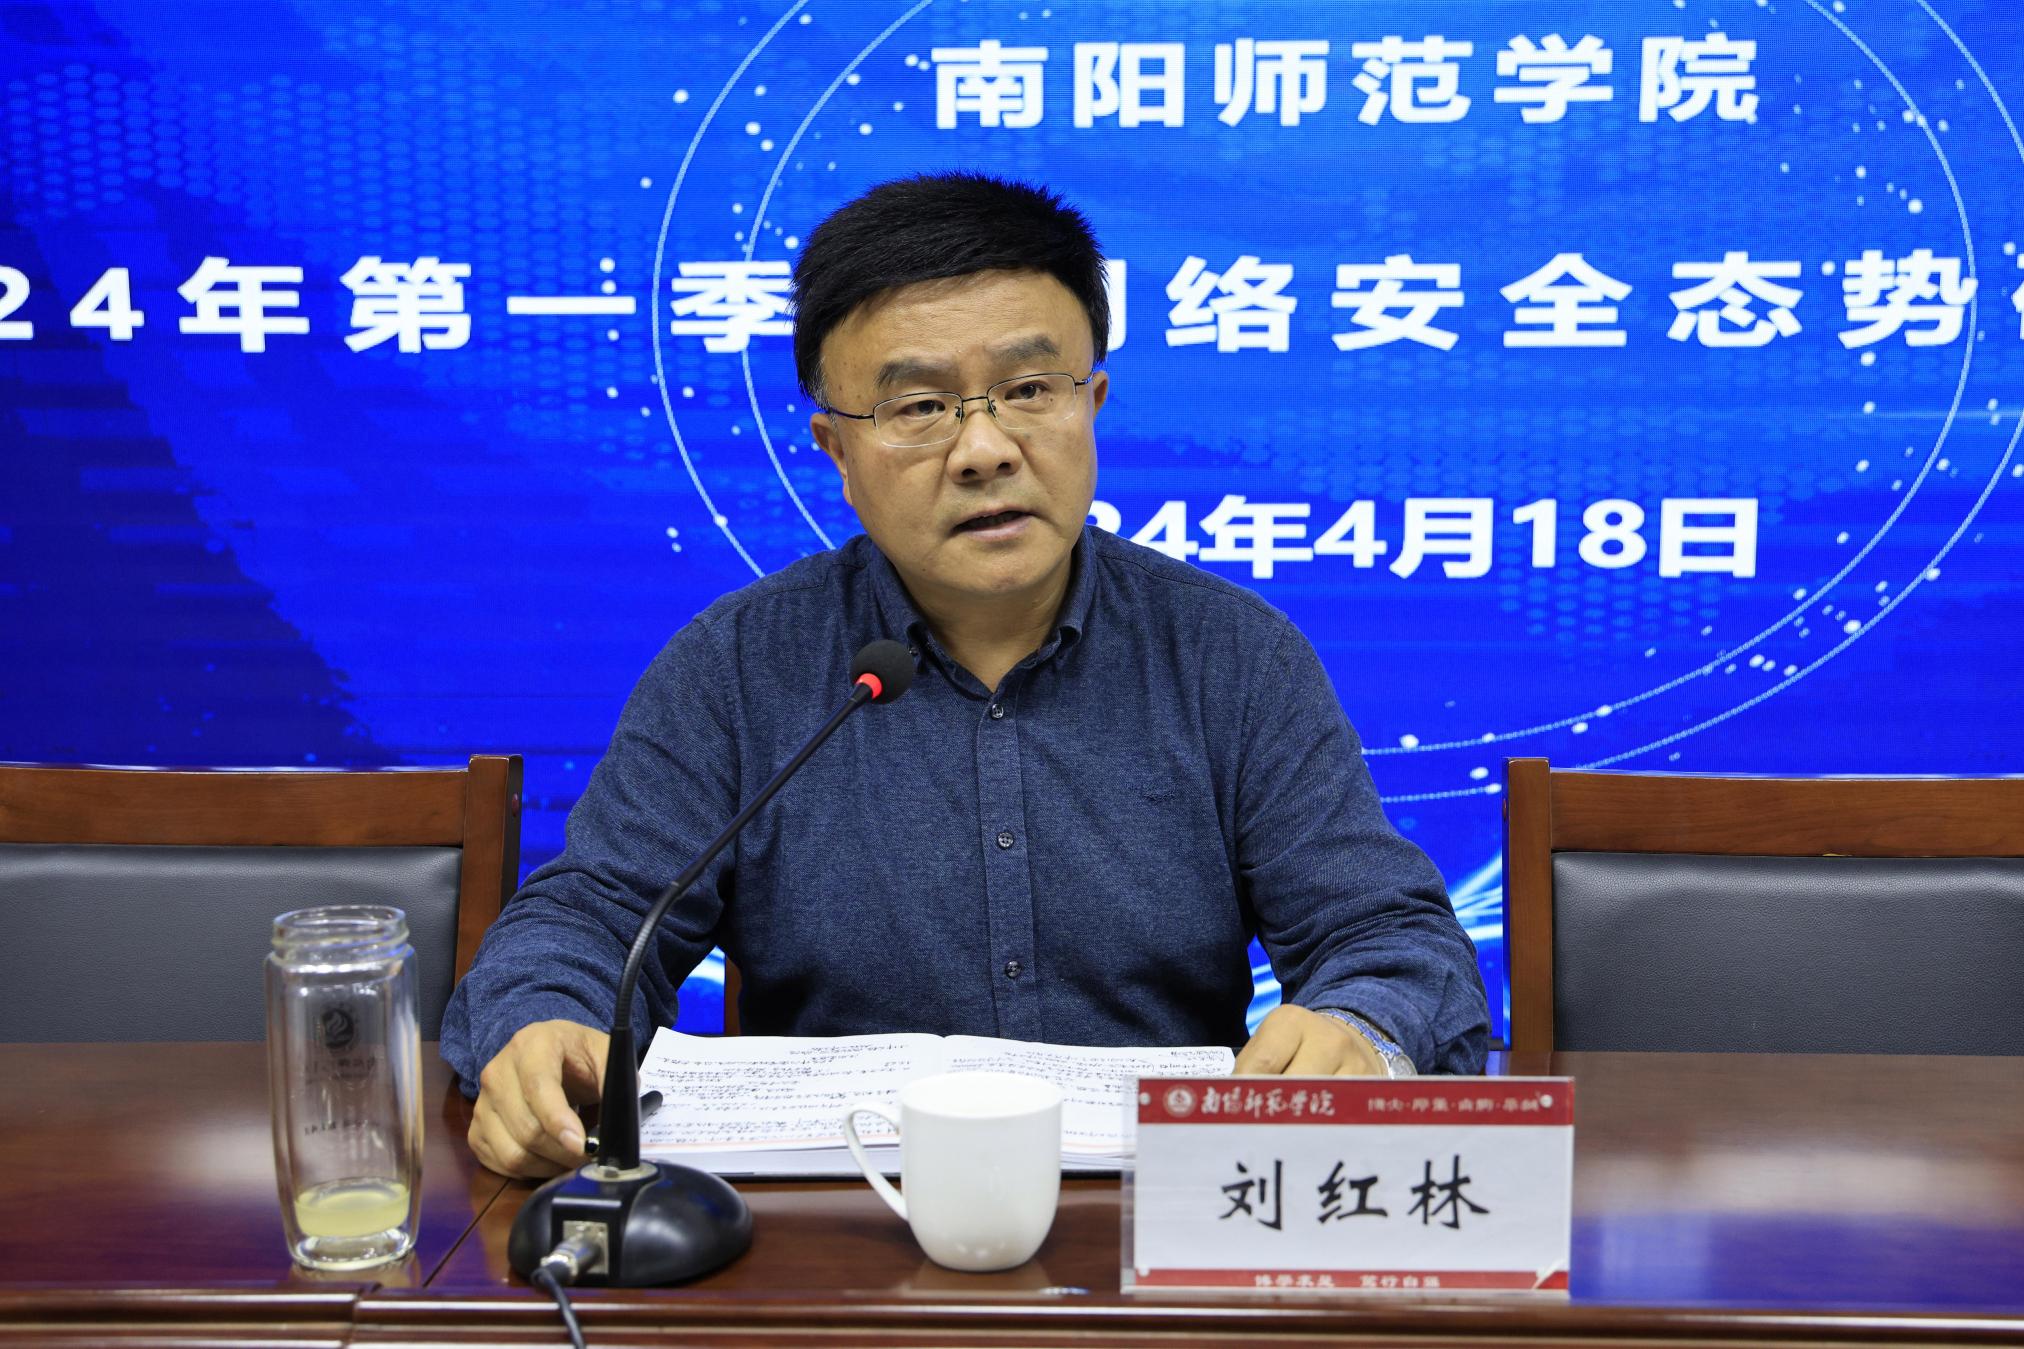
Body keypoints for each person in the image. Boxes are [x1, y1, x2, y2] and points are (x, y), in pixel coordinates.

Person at [444, 172, 1489, 1178]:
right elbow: (590, 919)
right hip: (832, 1225)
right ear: (836, 451)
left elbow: (1390, 936)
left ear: (1092, 403)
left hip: (1154, 1220)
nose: (984, 448)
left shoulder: (1229, 656)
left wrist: (1362, 1026)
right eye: (918, 407)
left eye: (1029, 390)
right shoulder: (738, 668)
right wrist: (543, 1024)